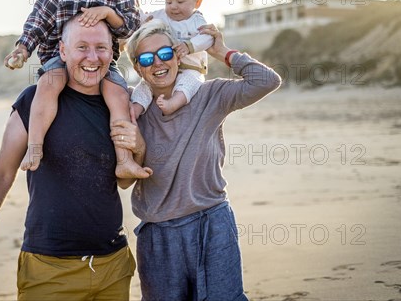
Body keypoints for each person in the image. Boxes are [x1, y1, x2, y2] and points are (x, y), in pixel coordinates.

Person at [0, 17, 145, 301]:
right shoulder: (33, 101)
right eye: (82, 47)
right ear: (62, 51)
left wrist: (138, 146)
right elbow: (2, 171)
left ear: (113, 52)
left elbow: (124, 181)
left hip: (113, 264)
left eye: (101, 47)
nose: (92, 57)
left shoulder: (122, 105)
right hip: (48, 265)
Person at [116, 19, 281, 300]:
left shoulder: (209, 94)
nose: (158, 63)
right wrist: (139, 148)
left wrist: (223, 52)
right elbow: (123, 182)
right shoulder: (131, 109)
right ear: (138, 67)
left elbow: (267, 81)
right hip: (158, 235)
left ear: (178, 55)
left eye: (165, 53)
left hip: (212, 224)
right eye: (146, 58)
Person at [3, 0, 150, 179]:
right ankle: (35, 146)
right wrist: (23, 49)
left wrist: (108, 13)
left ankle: (124, 160)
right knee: (48, 85)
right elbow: (38, 19)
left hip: (102, 62)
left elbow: (130, 28)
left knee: (118, 95)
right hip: (59, 59)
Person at [132, 0, 213, 116]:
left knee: (189, 83)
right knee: (145, 86)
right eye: (168, 2)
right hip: (167, 66)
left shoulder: (197, 20)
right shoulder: (162, 15)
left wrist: (189, 46)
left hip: (191, 68)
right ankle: (135, 109)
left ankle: (173, 104)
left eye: (180, 2)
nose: (173, 7)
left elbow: (207, 38)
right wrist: (138, 12)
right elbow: (147, 19)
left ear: (197, 2)